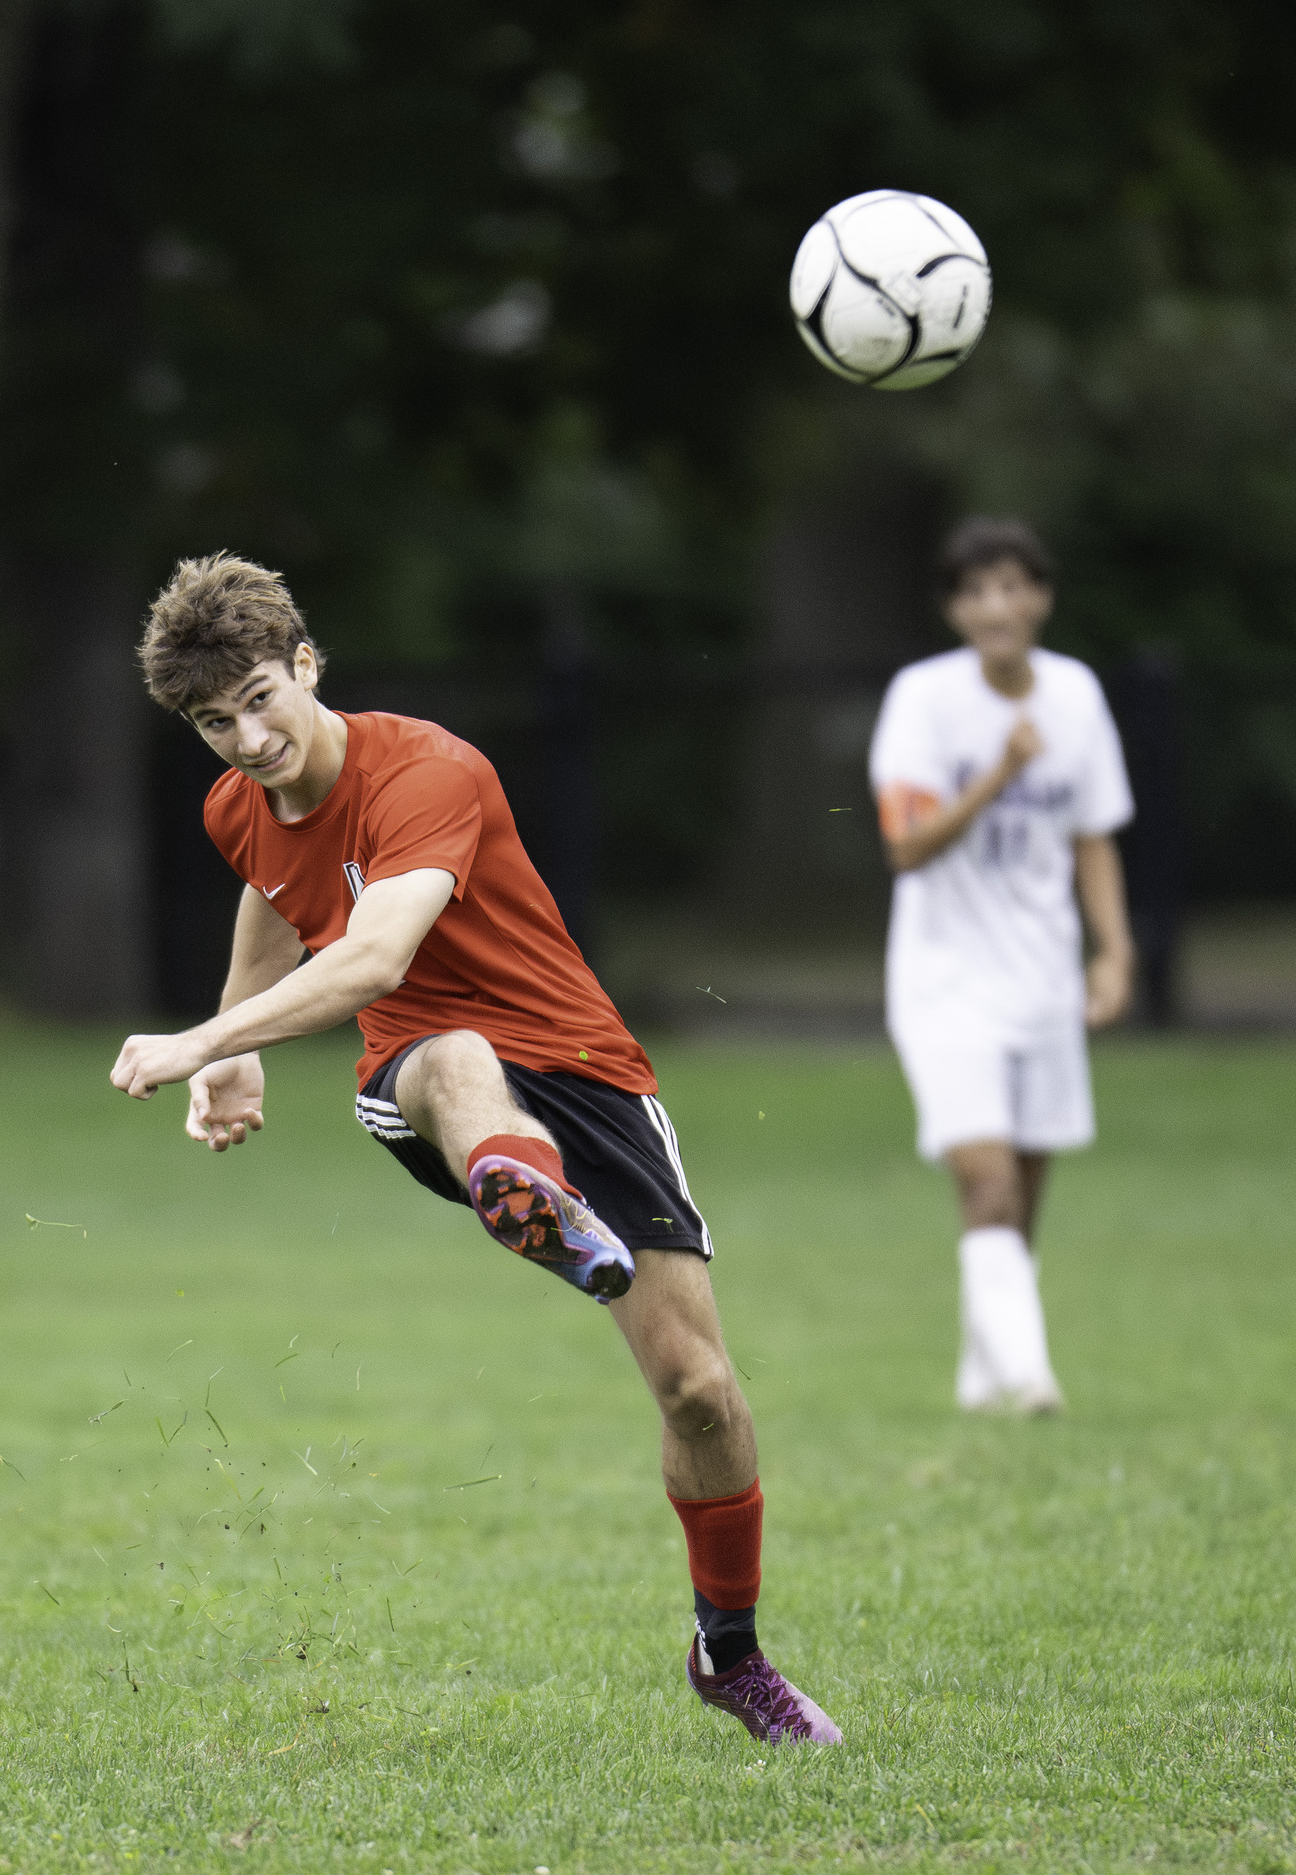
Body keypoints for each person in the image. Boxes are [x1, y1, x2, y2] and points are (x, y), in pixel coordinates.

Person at [111, 552, 840, 1747]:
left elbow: (372, 951)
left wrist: (205, 1040)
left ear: (307, 664)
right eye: (210, 722)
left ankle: (730, 1654)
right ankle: (524, 1188)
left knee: (699, 1391)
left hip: (588, 1072)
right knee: (450, 1053)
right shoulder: (236, 801)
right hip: (426, 1078)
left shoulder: (430, 769)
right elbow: (277, 882)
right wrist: (242, 1038)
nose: (244, 739)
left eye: (257, 699)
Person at [868, 517, 1135, 1414]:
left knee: (1024, 1185)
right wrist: (997, 774)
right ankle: (1030, 1377)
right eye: (977, 590)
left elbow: (1092, 834)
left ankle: (984, 1371)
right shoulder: (923, 700)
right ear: (954, 608)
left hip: (1044, 974)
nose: (998, 606)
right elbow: (907, 846)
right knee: (985, 1178)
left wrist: (1115, 950)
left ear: (1043, 598)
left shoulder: (1077, 694)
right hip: (945, 981)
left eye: (1015, 586)